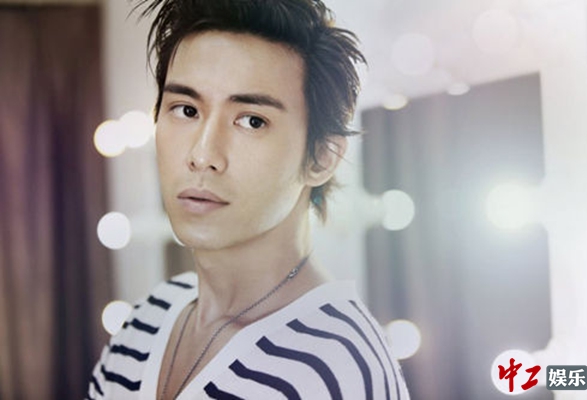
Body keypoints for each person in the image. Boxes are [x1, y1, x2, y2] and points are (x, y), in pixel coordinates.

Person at [87, 0, 409, 399]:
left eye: (252, 121)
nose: (202, 155)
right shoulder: (144, 321)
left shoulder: (337, 367)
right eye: (186, 110)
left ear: (322, 157)